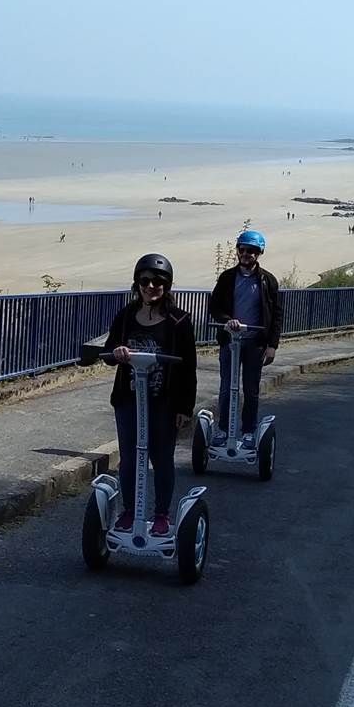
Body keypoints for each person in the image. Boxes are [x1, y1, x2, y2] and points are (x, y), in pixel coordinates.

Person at [103, 253, 197, 538]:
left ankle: (161, 516)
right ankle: (130, 512)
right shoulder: (126, 316)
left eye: (158, 281)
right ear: (137, 283)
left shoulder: (178, 321)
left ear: (167, 285)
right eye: (145, 281)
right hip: (128, 399)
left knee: (162, 457)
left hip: (163, 401)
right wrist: (118, 354)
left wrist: (184, 407)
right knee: (130, 458)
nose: (151, 286)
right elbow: (108, 352)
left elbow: (188, 366)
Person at [208, 230, 282, 448]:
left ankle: (248, 431)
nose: (246, 254)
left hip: (255, 343)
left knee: (251, 389)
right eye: (242, 250)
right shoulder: (227, 278)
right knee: (227, 388)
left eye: (251, 251)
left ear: (259, 253)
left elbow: (276, 314)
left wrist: (272, 346)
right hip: (231, 341)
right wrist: (228, 320)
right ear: (238, 251)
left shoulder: (268, 280)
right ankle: (223, 430)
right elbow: (215, 307)